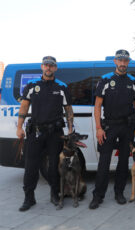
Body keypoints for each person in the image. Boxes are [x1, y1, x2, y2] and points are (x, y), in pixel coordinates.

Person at [89, 49, 135, 209]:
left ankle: (119, 193)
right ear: (115, 61)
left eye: (125, 61)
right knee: (104, 162)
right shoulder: (105, 80)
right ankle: (98, 196)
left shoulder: (133, 82)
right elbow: (98, 106)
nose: (122, 63)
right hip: (109, 126)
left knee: (123, 162)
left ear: (128, 62)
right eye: (120, 60)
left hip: (128, 126)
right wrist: (99, 128)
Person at [17, 56, 74, 211]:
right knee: (31, 167)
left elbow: (68, 109)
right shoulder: (32, 85)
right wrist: (19, 127)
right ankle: (29, 198)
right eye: (46, 65)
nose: (48, 68)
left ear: (55, 68)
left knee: (54, 166)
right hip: (35, 132)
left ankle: (55, 195)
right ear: (42, 67)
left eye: (51, 66)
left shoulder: (62, 87)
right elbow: (24, 107)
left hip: (55, 133)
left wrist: (70, 129)